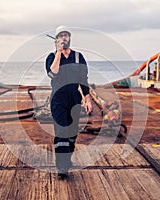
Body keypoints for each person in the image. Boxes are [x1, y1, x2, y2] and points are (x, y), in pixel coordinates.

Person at [45, 25, 92, 178]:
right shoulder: (51, 58)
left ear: (70, 38)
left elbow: (83, 79)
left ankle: (67, 158)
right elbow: (53, 73)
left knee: (71, 133)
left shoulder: (78, 57)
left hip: (74, 100)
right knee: (62, 132)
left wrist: (87, 98)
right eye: (61, 35)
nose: (64, 38)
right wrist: (59, 53)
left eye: (66, 35)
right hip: (58, 100)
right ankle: (62, 167)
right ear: (56, 40)